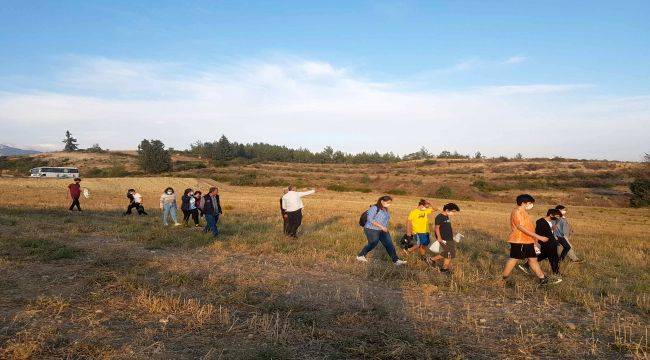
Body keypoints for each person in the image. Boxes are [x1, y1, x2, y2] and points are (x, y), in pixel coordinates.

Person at [501, 194, 560, 285]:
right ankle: (504, 279)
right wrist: (538, 237)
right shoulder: (517, 212)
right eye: (530, 203)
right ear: (523, 203)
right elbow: (520, 227)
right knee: (514, 259)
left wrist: (534, 240)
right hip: (519, 240)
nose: (531, 205)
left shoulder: (523, 212)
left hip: (527, 240)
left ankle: (543, 279)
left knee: (533, 259)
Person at [356, 195, 407, 266]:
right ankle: (360, 255)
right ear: (382, 201)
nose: (389, 204)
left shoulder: (385, 209)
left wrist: (384, 227)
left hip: (383, 230)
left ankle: (396, 261)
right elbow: (370, 219)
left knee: (389, 244)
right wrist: (381, 227)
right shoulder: (374, 208)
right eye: (388, 202)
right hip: (371, 229)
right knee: (373, 243)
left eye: (390, 203)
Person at [431, 203, 461, 273]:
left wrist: (453, 236)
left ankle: (443, 267)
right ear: (447, 210)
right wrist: (439, 238)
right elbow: (436, 228)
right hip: (443, 238)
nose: (454, 213)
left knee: (450, 253)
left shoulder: (446, 216)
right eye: (453, 211)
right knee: (449, 253)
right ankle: (441, 265)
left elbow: (446, 228)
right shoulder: (439, 217)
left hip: (449, 238)